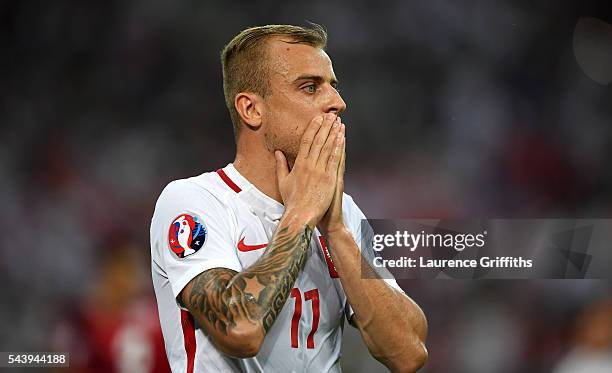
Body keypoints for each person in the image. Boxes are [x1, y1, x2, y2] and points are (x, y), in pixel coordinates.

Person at [150, 24, 427, 373]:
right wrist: (301, 214)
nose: (337, 103)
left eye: (333, 87)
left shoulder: (341, 212)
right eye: (310, 87)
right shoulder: (195, 202)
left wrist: (337, 231)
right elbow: (240, 329)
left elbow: (409, 353)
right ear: (251, 109)